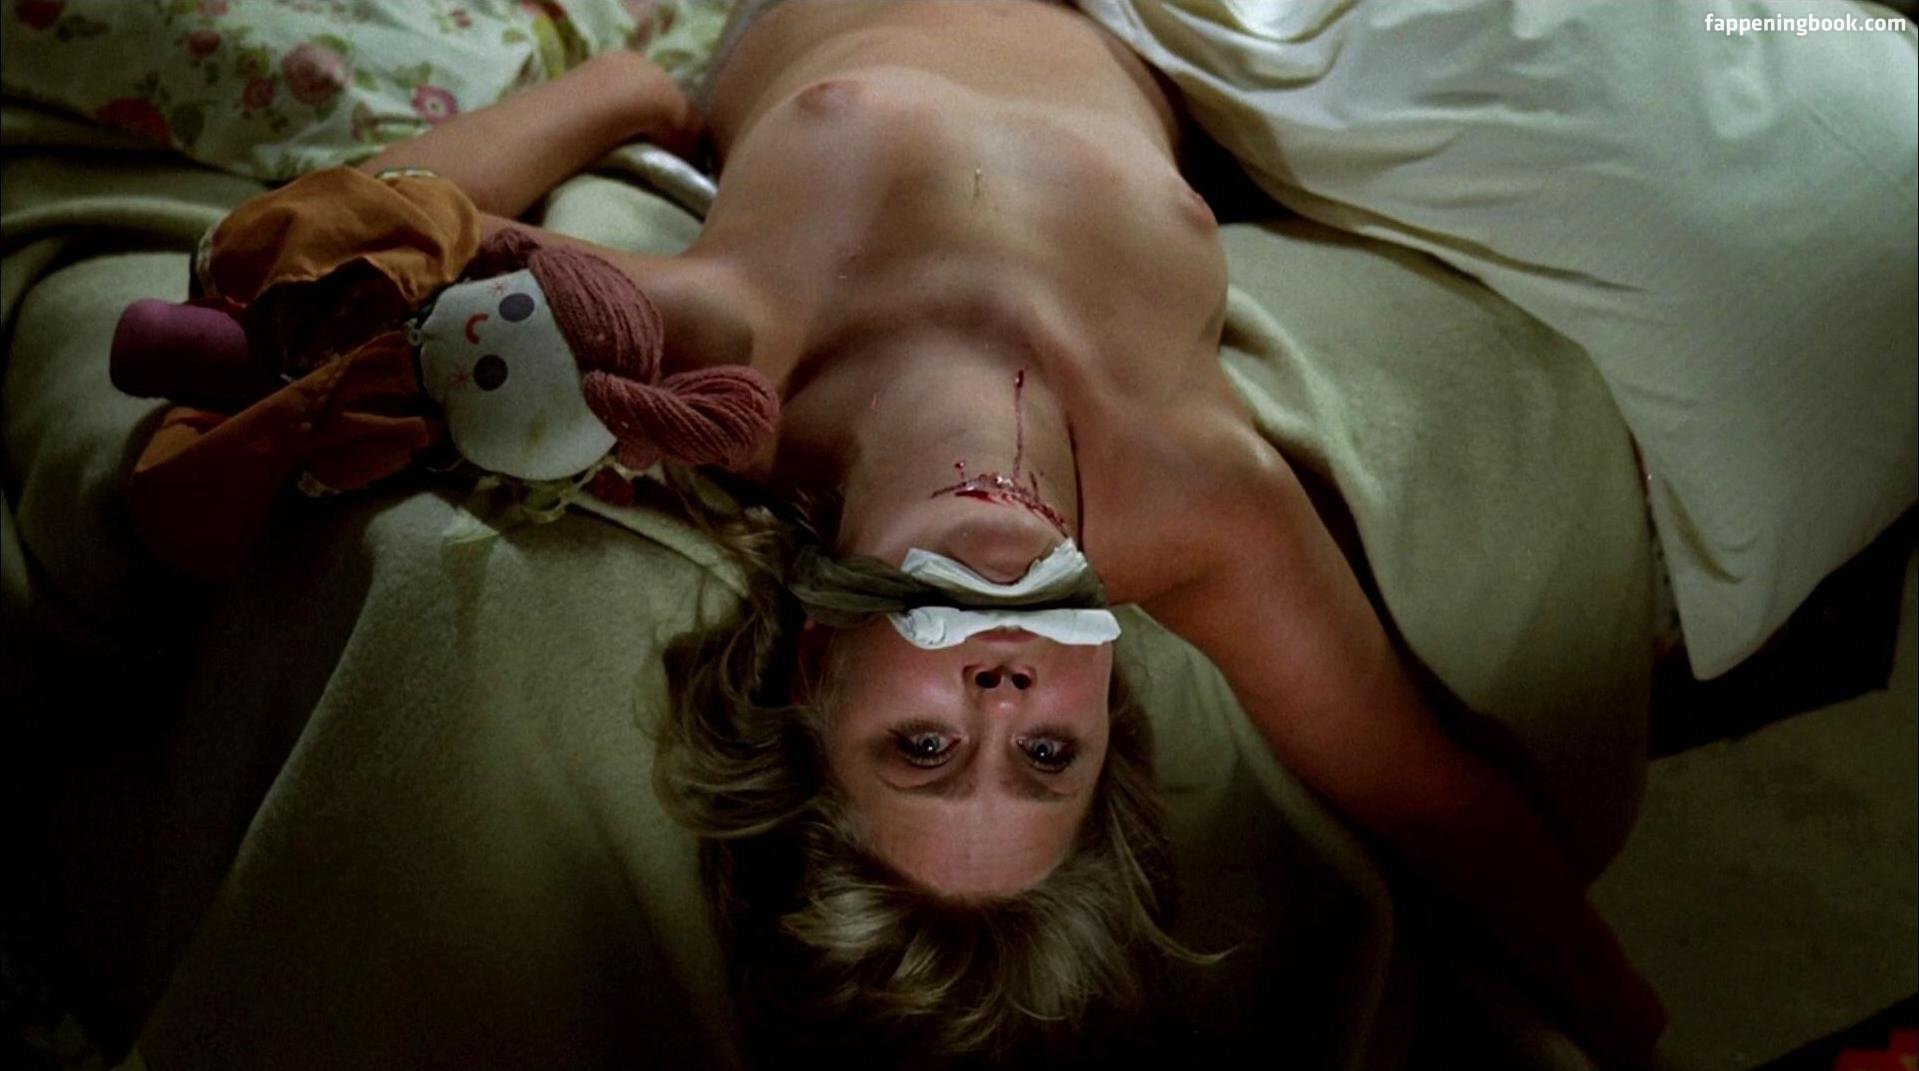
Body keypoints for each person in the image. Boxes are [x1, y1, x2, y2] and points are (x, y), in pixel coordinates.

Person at [357, 1, 1667, 1064]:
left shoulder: (734, 360)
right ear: (1103, 705)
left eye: (924, 747)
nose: (1000, 693)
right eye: (1046, 755)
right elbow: (1429, 797)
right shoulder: (1197, 503)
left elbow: (341, 239)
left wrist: (626, 94)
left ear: (819, 668)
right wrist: (1635, 1030)